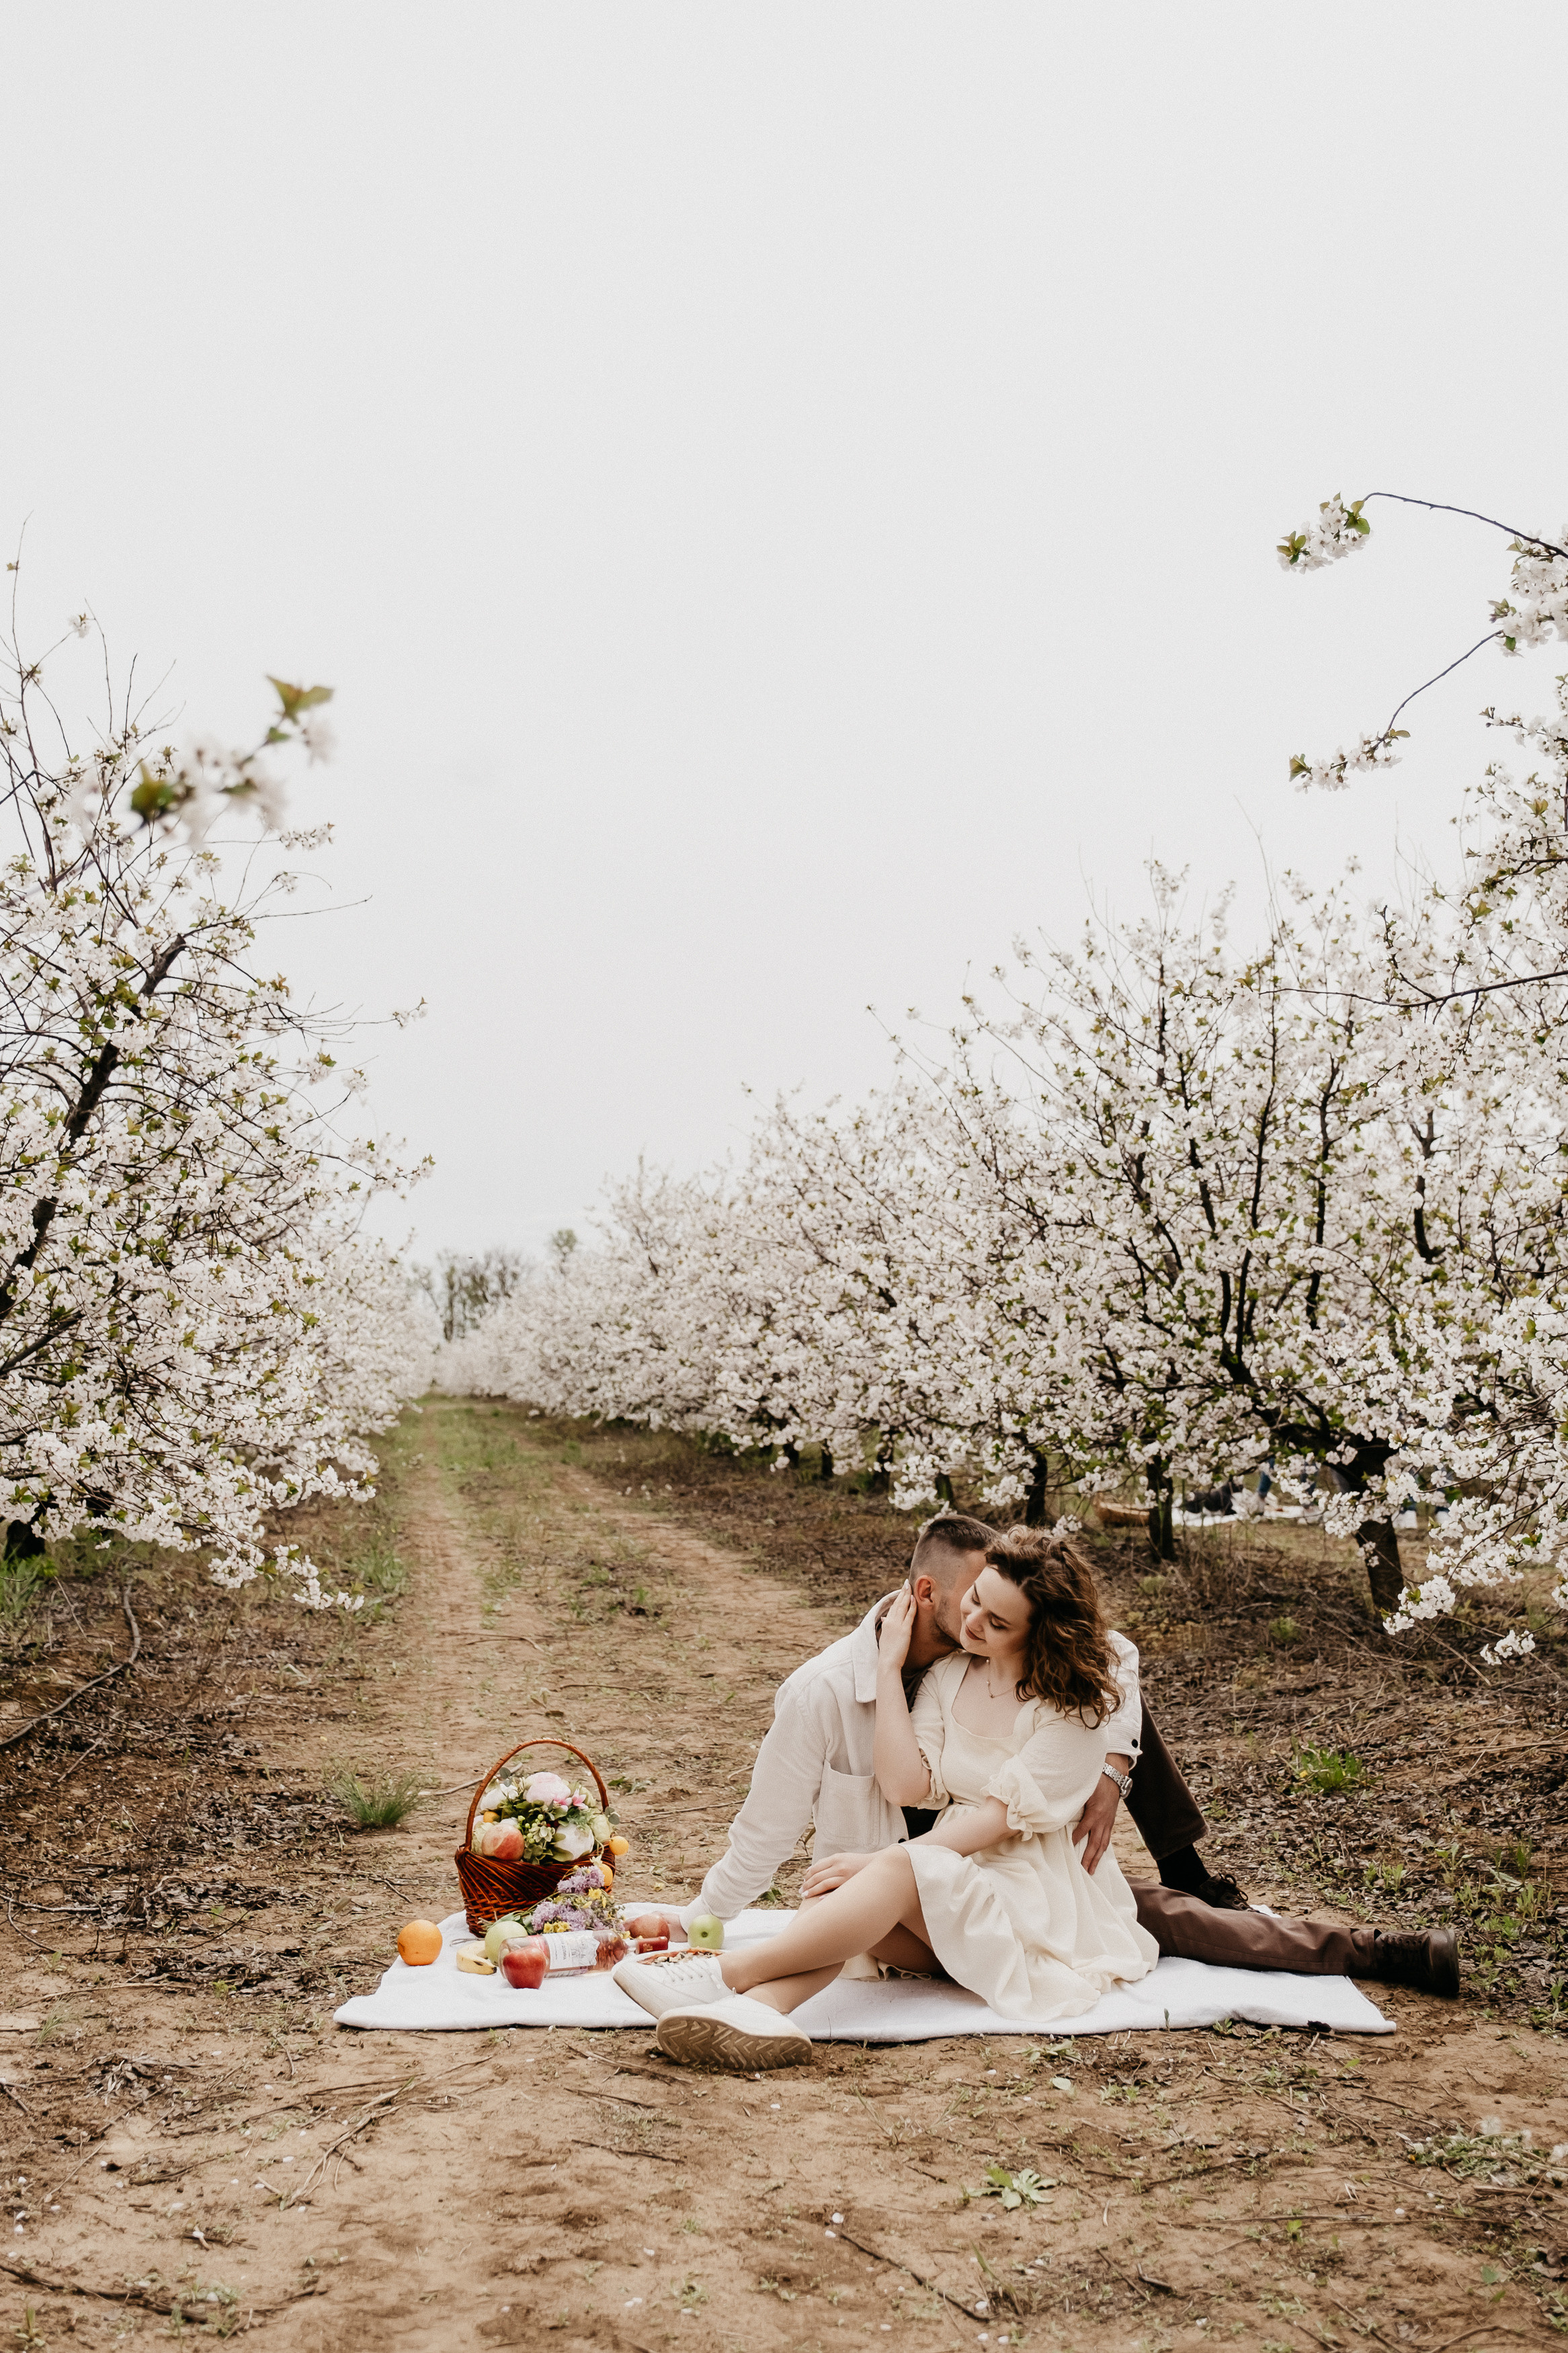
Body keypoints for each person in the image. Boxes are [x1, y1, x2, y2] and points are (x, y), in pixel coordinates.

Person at [616, 1526, 1460, 2069]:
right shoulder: (848, 1687)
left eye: (994, 1616)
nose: (976, 1627)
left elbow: (1106, 1658)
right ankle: (755, 2014)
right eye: (971, 1609)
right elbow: (778, 1825)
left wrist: (1111, 1769)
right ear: (930, 1598)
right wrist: (705, 1907)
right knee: (863, 1901)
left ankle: (1361, 1943)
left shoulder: (1052, 1678)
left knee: (1189, 1920)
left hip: (1040, 1875)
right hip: (915, 1884)